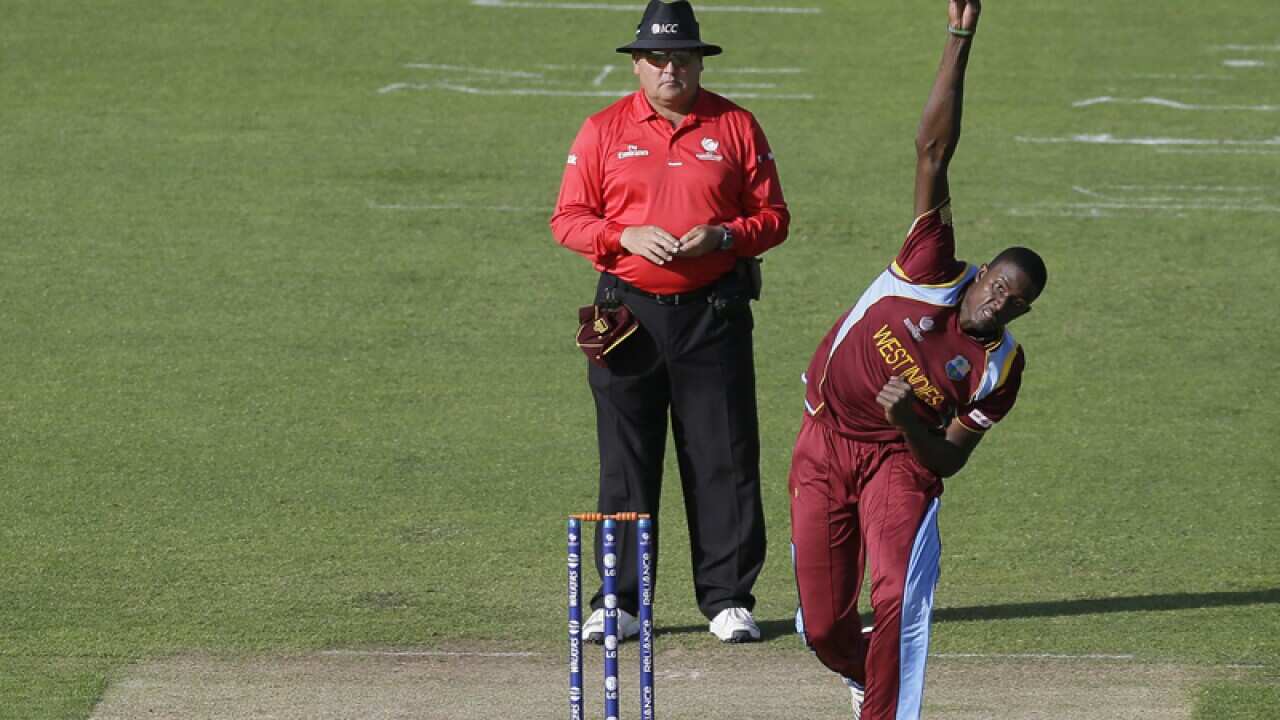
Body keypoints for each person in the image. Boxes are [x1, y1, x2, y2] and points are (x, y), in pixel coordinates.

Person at [788, 1, 1047, 717]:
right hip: (824, 438)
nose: (998, 301)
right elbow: (933, 149)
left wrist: (907, 422)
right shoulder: (930, 265)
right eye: (998, 282)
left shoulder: (1000, 367)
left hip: (902, 464)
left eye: (1014, 300)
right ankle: (860, 672)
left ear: (1022, 312)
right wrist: (958, 39)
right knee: (820, 627)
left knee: (900, 597)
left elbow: (949, 461)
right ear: (984, 267)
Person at [550, 0, 789, 644]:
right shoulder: (602, 129)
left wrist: (723, 235)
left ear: (696, 61)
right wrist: (624, 235)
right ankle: (621, 602)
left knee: (723, 454)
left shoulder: (736, 125)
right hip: (626, 314)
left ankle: (728, 597)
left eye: (681, 57)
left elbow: (774, 218)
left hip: (713, 313)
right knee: (625, 458)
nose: (669, 69)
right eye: (656, 58)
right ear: (637, 65)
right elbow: (567, 218)